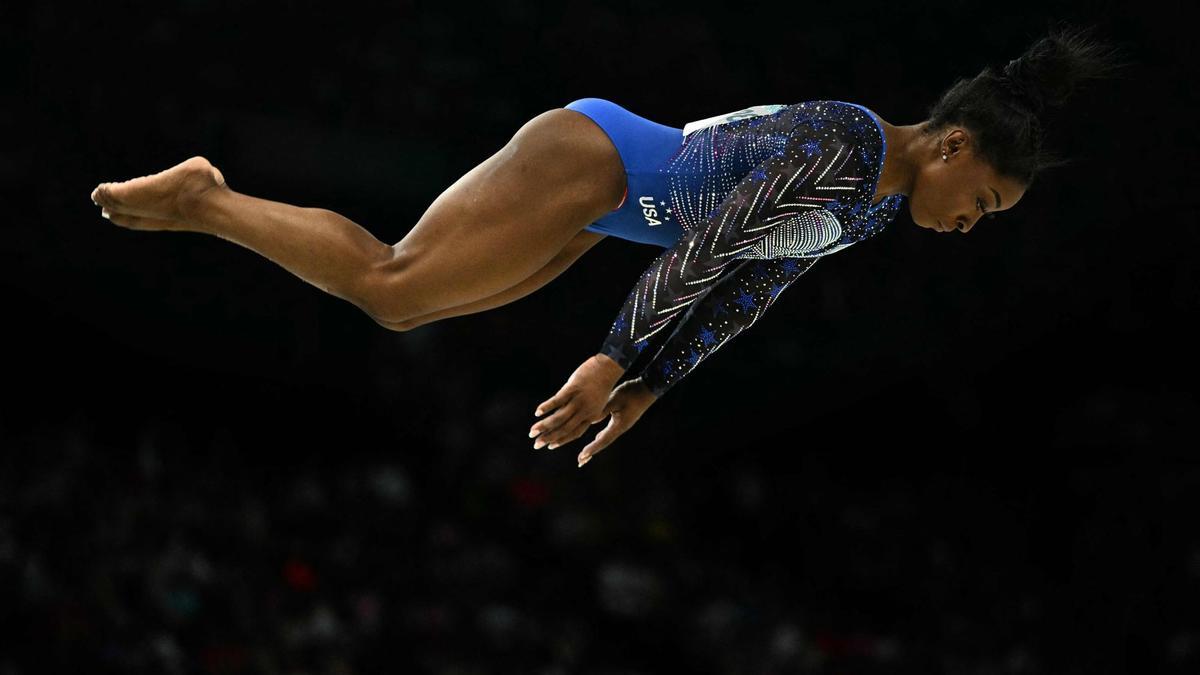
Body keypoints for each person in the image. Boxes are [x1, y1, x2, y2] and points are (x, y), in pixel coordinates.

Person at [89, 23, 1127, 468]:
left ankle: (208, 205)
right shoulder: (848, 145)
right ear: (951, 144)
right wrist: (614, 354)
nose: (968, 226)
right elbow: (713, 245)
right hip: (597, 161)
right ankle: (206, 200)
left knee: (407, 300)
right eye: (982, 201)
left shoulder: (872, 206)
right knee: (392, 286)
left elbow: (748, 287)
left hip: (614, 204)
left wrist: (650, 383)